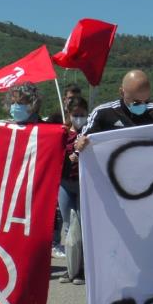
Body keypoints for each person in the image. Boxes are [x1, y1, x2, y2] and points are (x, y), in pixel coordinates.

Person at [75, 69, 153, 151]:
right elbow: (81, 139)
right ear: (122, 92)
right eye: (136, 101)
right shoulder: (102, 114)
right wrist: (80, 143)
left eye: (146, 101)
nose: (141, 105)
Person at [57, 96, 89, 285]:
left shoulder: (90, 131)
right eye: (75, 115)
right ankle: (71, 270)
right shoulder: (61, 133)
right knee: (69, 226)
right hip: (65, 183)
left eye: (82, 115)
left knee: (83, 227)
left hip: (83, 184)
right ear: (69, 114)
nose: (79, 118)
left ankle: (83, 270)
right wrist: (65, 156)